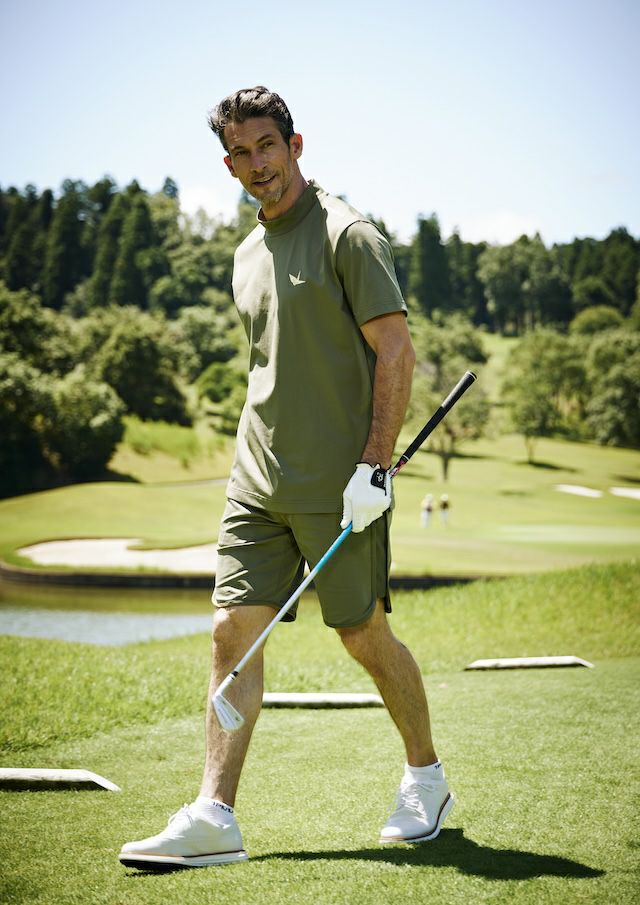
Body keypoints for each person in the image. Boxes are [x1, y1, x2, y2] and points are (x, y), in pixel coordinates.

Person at [119, 86, 454, 870]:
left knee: (363, 634)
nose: (256, 163)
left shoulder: (347, 234)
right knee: (230, 632)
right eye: (240, 152)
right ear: (228, 164)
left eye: (267, 145)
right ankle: (214, 813)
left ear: (295, 145)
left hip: (341, 490)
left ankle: (426, 778)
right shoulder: (246, 254)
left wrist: (374, 467)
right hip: (255, 482)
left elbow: (396, 352)